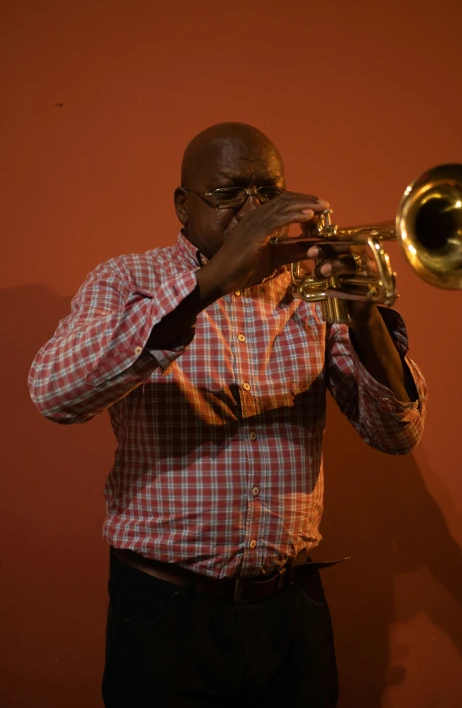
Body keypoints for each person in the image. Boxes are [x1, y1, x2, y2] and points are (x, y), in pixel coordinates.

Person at [28, 122, 427, 708]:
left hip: (292, 610)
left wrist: (363, 314)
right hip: (164, 613)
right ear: (182, 207)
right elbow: (54, 394)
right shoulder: (129, 280)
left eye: (268, 193)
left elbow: (397, 433)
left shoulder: (312, 295)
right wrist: (211, 282)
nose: (253, 212)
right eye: (227, 195)